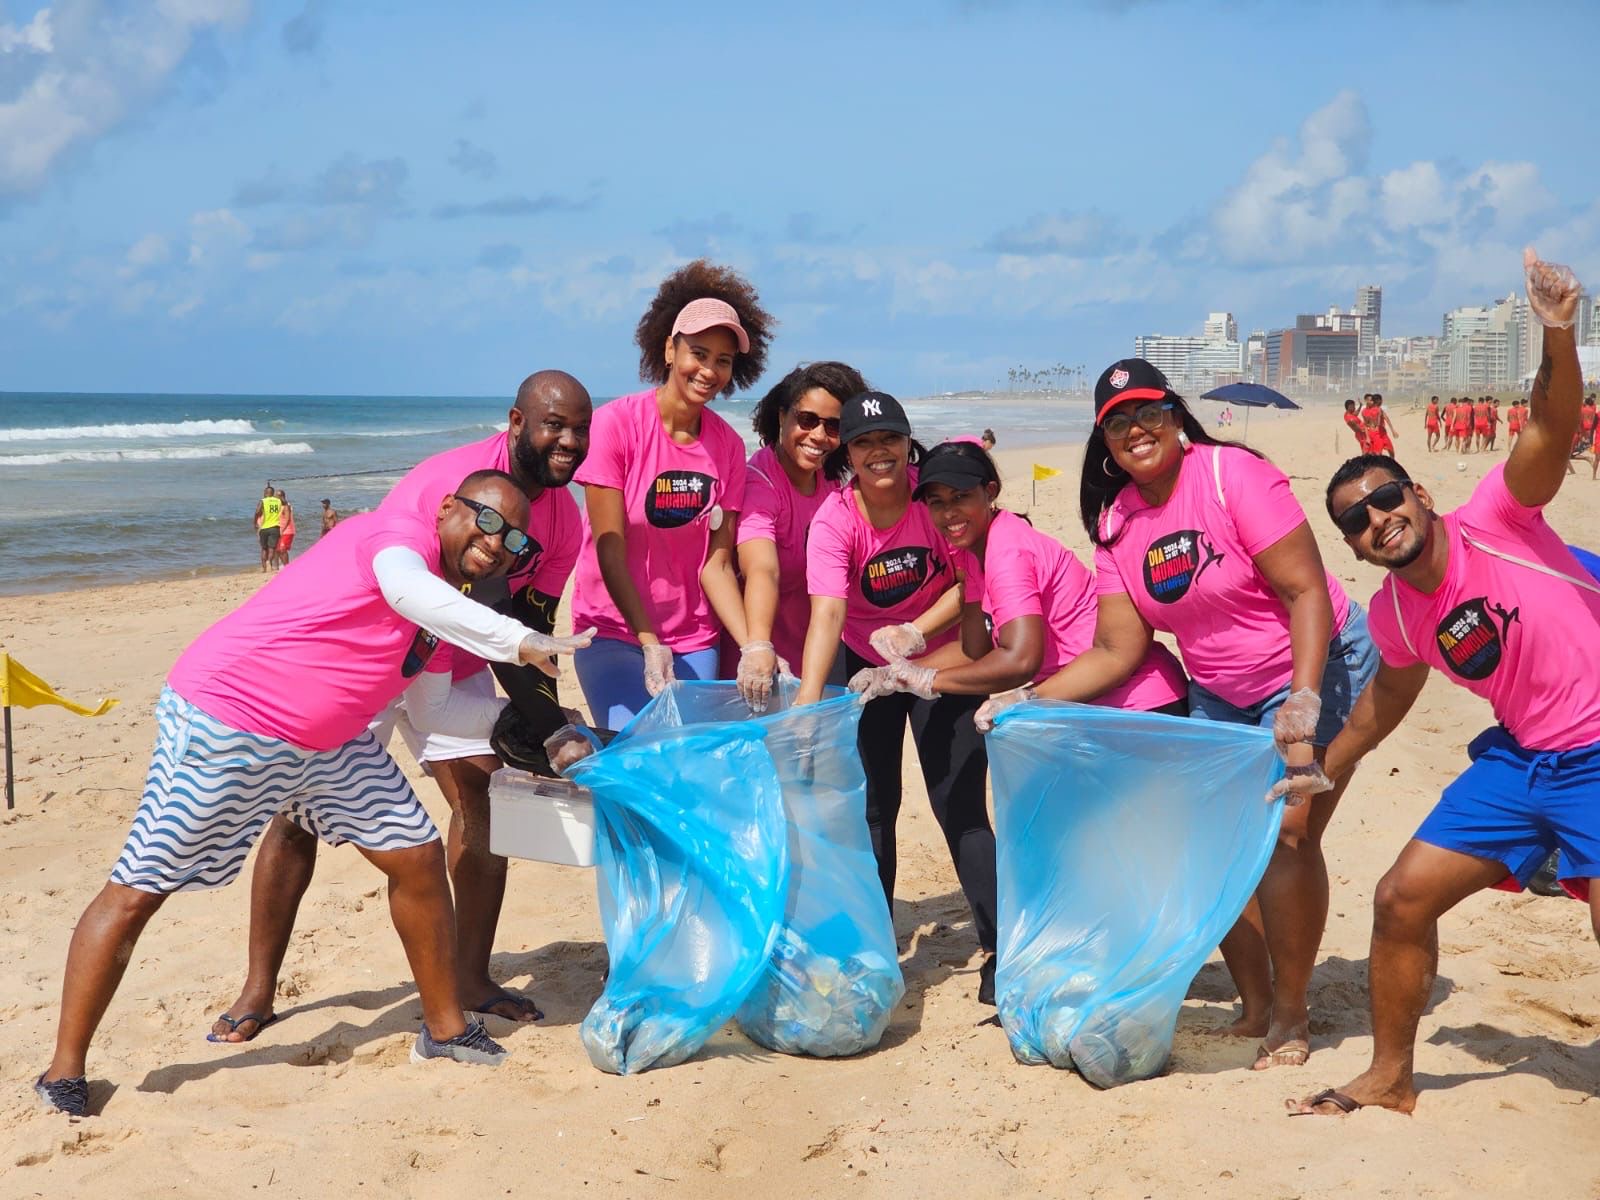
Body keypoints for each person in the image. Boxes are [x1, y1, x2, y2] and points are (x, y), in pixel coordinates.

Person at [33, 471, 595, 1116]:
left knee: (414, 852)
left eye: (515, 539)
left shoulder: (446, 609)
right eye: (487, 521)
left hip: (328, 744)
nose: (497, 544)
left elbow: (436, 710)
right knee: (139, 889)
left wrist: (531, 729)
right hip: (232, 719)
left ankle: (443, 1029)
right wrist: (519, 640)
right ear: (447, 509)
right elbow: (408, 591)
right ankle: (64, 1071)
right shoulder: (394, 538)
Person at [982, 358, 1378, 1069]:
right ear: (1104, 440)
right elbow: (1117, 646)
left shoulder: (1232, 476)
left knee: (1286, 834)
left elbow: (1306, 592)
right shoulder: (1115, 523)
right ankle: (1254, 1004)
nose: (1137, 429)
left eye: (1149, 412)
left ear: (1175, 415)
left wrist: (1304, 697)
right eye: (1118, 421)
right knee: (1217, 847)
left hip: (1321, 662)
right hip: (1221, 690)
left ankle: (1291, 1014)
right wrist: (1027, 699)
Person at [1282, 249, 1598, 1117]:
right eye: (1356, 521)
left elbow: (1552, 427)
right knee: (1399, 900)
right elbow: (1383, 704)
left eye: (1386, 500)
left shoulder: (1498, 518)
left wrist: (1560, 334)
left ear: (1418, 493)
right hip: (1523, 765)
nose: (1378, 521)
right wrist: (1319, 771)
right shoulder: (1396, 615)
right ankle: (1389, 1078)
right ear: (1350, 546)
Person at [212, 371, 593, 1039]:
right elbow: (407, 589)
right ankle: (258, 987)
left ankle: (471, 976)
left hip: (456, 665)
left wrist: (552, 727)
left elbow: (534, 629)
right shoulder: (445, 484)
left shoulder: (564, 521)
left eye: (579, 430)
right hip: (374, 661)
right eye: (553, 425)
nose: (568, 441)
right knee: (299, 814)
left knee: (481, 798)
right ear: (515, 422)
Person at [798, 391, 999, 1005]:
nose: (877, 451)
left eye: (888, 438)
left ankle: (1003, 947)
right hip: (865, 662)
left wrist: (917, 634)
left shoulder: (931, 496)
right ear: (848, 454)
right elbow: (828, 612)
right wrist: (808, 710)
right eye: (862, 442)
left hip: (943, 653)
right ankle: (874, 946)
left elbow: (969, 578)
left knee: (957, 803)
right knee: (874, 809)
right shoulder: (835, 520)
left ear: (906, 443)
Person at [570, 261, 773, 728]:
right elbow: (610, 549)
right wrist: (647, 641)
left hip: (694, 636)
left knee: (685, 766)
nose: (709, 370)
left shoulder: (726, 445)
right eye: (698, 353)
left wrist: (752, 646)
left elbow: (716, 563)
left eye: (723, 360)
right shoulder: (616, 426)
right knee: (635, 756)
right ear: (668, 348)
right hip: (614, 630)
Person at [853, 439, 1189, 720]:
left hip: (1136, 703)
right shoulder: (972, 553)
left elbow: (1021, 660)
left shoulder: (1007, 550)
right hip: (1080, 703)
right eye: (937, 503)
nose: (949, 513)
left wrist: (932, 680)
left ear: (990, 491)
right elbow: (973, 651)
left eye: (961, 497)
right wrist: (897, 674)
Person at [733, 361, 864, 708]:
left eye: (833, 426)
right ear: (781, 417)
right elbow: (762, 568)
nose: (819, 435)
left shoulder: (834, 486)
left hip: (821, 656)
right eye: (807, 420)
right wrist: (759, 645)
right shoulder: (758, 482)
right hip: (766, 665)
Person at [254, 483, 283, 572]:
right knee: (272, 549)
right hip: (275, 527)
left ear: (266, 493)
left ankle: (264, 568)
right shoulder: (278, 501)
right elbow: (285, 504)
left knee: (264, 548)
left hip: (264, 527)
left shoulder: (263, 501)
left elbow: (257, 511)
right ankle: (269, 564)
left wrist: (255, 521)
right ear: (273, 493)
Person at [273, 489, 296, 567]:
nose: (275, 498)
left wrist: (282, 530)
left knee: (283, 549)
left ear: (281, 497)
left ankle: (287, 567)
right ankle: (284, 566)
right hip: (280, 530)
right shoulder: (278, 505)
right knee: (278, 550)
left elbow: (287, 519)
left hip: (287, 530)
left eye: (277, 496)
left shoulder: (287, 505)